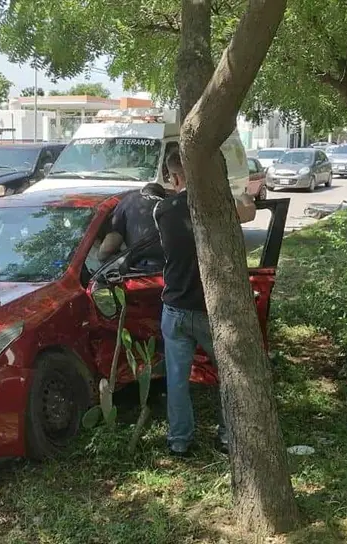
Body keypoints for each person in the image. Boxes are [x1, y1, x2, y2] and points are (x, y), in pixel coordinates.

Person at [154, 150, 256, 457]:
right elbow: (248, 211)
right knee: (229, 374)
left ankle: (179, 441)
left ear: (174, 178)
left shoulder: (162, 210)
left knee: (177, 379)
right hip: (212, 310)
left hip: (174, 308)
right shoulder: (217, 204)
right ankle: (228, 436)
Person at [97, 182, 167, 268]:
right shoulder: (171, 205)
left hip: (141, 268)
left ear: (142, 191)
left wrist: (99, 257)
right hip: (171, 267)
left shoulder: (128, 201)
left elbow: (108, 248)